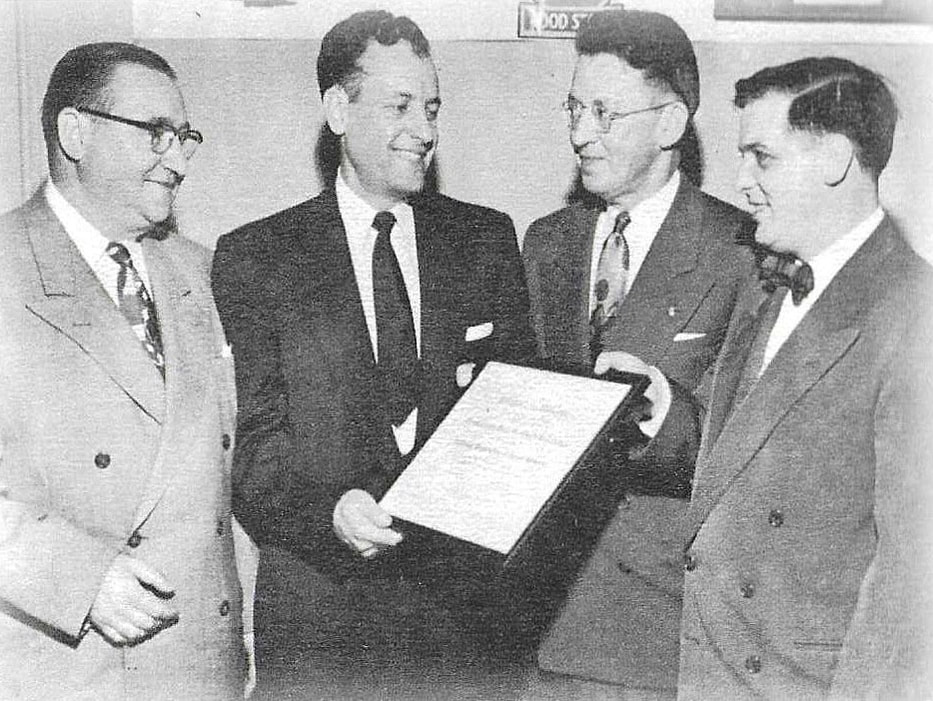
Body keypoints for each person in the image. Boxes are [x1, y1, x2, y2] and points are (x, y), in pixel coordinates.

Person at [211, 10, 535, 698]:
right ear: (337, 107)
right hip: (321, 636)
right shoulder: (257, 257)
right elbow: (254, 452)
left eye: (432, 107)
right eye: (400, 105)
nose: (424, 129)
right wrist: (329, 513)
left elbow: (517, 417)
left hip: (463, 639)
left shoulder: (484, 240)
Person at [668, 57, 933, 698]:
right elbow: (739, 458)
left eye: (763, 156)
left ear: (836, 159)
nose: (742, 180)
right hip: (710, 665)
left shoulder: (914, 313)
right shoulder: (765, 284)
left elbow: (910, 581)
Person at [0, 43, 245, 700]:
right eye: (156, 134)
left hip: (201, 670)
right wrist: (75, 577)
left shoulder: (201, 272)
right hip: (75, 670)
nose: (179, 159)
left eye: (185, 136)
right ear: (76, 132)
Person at [521, 10, 754, 697]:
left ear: (669, 122)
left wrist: (658, 412)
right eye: (572, 107)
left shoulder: (742, 252)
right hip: (538, 625)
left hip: (661, 637)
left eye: (602, 111)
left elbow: (753, 445)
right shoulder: (546, 243)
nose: (577, 133)